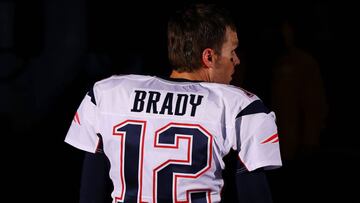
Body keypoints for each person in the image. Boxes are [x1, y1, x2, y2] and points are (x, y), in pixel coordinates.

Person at [65, 3, 282, 203]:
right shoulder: (239, 107)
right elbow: (254, 195)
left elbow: (91, 191)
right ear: (209, 57)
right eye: (232, 51)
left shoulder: (108, 94)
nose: (237, 60)